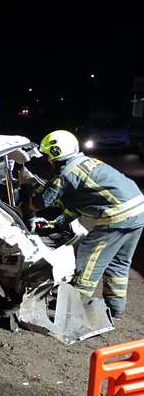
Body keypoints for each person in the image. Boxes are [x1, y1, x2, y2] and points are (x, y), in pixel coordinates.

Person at [30, 129, 144, 319]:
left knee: (88, 258)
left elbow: (40, 203)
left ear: (56, 153)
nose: (46, 161)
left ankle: (70, 309)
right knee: (119, 264)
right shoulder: (85, 164)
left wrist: (29, 199)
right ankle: (115, 309)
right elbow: (83, 202)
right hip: (138, 211)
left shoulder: (65, 173)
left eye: (48, 156)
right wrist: (58, 223)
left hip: (119, 216)